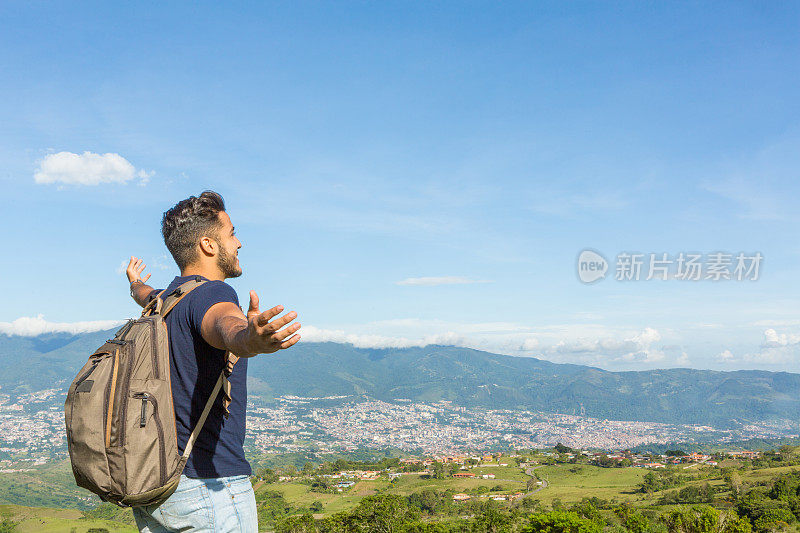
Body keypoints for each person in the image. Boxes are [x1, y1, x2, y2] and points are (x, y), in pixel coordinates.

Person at [126, 190, 300, 532]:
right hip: (209, 490)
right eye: (232, 233)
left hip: (159, 489)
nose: (239, 243)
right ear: (208, 245)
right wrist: (248, 339)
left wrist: (134, 284)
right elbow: (224, 324)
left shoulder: (166, 300)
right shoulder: (214, 293)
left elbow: (143, 293)